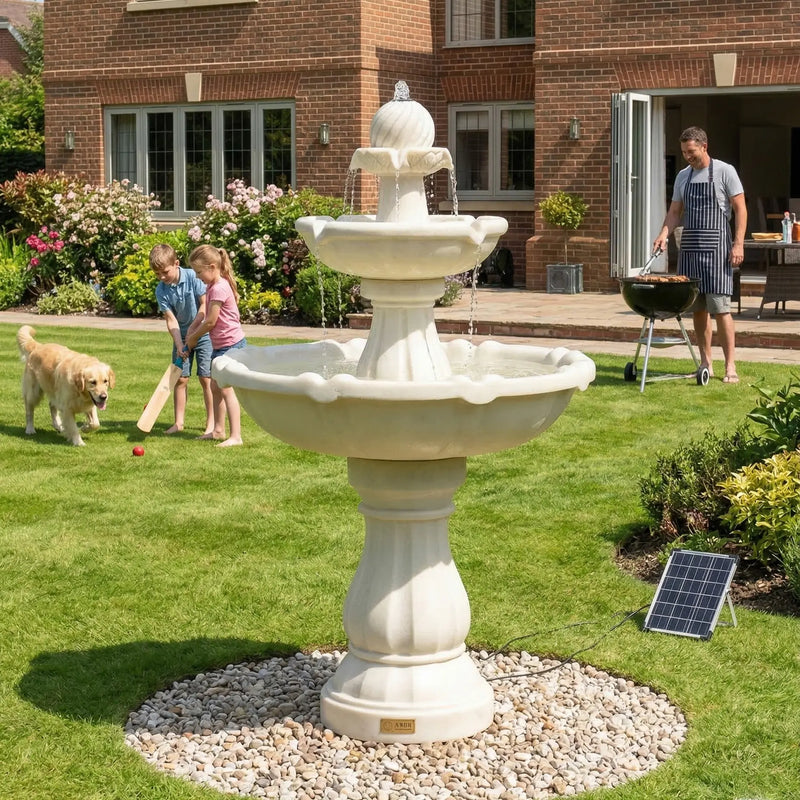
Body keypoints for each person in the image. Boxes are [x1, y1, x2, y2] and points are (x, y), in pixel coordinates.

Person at [653, 126, 746, 384]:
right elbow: (674, 212)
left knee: (720, 309)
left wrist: (738, 244)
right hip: (690, 250)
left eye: (691, 151)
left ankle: (730, 366)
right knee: (698, 310)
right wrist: (663, 234)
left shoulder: (725, 172)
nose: (687, 157)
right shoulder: (683, 177)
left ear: (704, 146)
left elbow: (741, 209)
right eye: (684, 152)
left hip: (718, 249)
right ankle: (706, 364)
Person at [184, 245, 245, 447]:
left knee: (226, 388)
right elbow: (203, 317)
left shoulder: (219, 287)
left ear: (212, 266)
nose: (198, 276)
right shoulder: (212, 285)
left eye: (199, 272)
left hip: (230, 345)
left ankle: (236, 436)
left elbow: (211, 321)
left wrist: (193, 339)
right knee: (215, 386)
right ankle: (218, 430)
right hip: (220, 345)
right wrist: (191, 332)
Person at [150, 244, 214, 435]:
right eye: (157, 274)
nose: (161, 277)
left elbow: (204, 306)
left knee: (206, 378)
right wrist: (180, 344)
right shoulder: (161, 290)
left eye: (165, 272)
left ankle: (211, 423)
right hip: (182, 337)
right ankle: (179, 423)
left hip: (203, 334)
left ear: (176, 264)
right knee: (181, 379)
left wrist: (194, 332)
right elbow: (171, 320)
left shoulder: (193, 277)